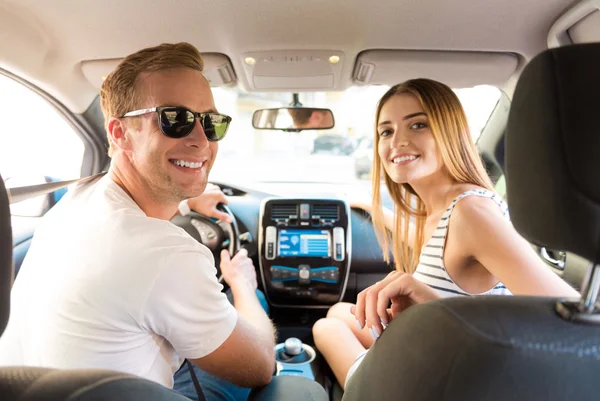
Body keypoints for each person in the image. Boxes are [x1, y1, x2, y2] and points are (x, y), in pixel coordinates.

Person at [0, 43, 276, 401]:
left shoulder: (76, 202)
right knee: (256, 305)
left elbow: (140, 197)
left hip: (45, 388)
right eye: (174, 119)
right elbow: (259, 366)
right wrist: (240, 285)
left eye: (211, 122)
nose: (201, 140)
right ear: (118, 133)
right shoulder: (167, 253)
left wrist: (188, 196)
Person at [312, 78, 579, 390]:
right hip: (436, 354)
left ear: (450, 132)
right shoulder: (441, 210)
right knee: (339, 312)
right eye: (386, 131)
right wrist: (373, 210)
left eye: (418, 125)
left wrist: (435, 307)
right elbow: (433, 248)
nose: (397, 141)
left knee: (326, 328)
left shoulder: (472, 213)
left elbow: (572, 321)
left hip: (449, 380)